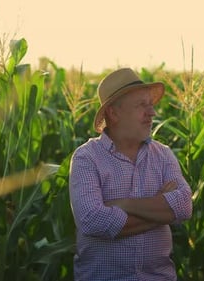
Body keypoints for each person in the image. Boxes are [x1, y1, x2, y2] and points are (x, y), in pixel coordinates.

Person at [69, 67, 193, 281]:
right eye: (141, 105)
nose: (152, 112)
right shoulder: (86, 158)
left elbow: (183, 206)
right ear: (114, 113)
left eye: (151, 104)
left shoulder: (163, 155)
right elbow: (93, 220)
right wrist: (161, 212)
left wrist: (123, 204)